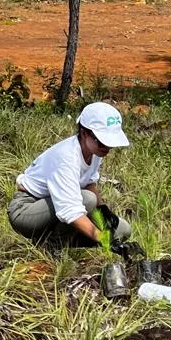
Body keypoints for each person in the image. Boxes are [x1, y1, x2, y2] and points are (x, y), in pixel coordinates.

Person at [8, 101, 133, 250]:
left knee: (122, 230)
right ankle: (52, 248)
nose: (106, 148)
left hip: (56, 206)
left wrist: (103, 210)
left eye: (109, 143)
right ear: (84, 133)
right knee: (87, 199)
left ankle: (55, 240)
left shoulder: (94, 151)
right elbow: (71, 211)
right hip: (27, 210)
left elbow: (89, 182)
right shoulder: (66, 158)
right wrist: (104, 240)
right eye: (101, 142)